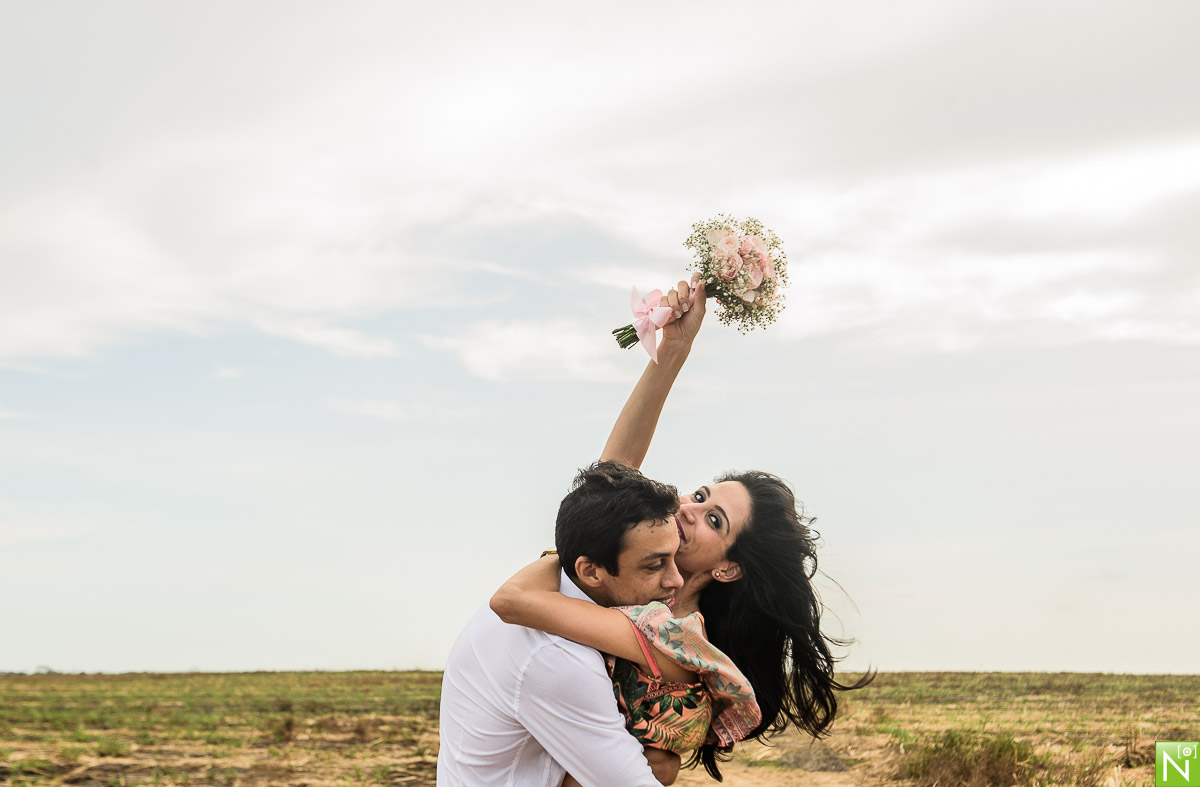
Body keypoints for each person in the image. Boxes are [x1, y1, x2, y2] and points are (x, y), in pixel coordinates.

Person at [493, 276, 872, 781]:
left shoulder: (671, 634)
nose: (691, 509)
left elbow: (514, 598)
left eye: (714, 519)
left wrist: (564, 555)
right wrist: (674, 350)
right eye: (701, 495)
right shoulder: (643, 588)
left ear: (728, 567)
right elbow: (609, 482)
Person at [436, 461, 688, 786]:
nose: (676, 580)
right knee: (659, 767)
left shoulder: (547, 592)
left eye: (674, 557)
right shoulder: (557, 657)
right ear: (591, 572)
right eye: (655, 565)